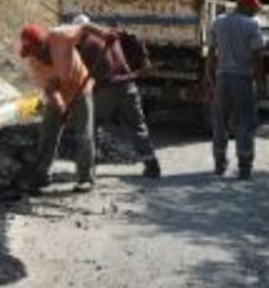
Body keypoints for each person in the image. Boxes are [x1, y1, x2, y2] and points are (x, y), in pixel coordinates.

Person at [16, 22, 113, 194]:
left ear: (43, 43)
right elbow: (50, 89)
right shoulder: (34, 62)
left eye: (34, 50)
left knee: (84, 134)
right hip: (59, 93)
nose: (33, 55)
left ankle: (86, 178)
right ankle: (42, 176)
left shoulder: (60, 36)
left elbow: (84, 26)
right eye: (29, 52)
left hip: (80, 88)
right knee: (48, 132)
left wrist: (103, 33)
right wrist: (62, 108)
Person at [72, 15, 161, 179]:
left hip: (107, 89)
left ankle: (89, 167)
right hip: (129, 87)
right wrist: (143, 61)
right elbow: (132, 37)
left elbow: (81, 77)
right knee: (138, 126)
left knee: (91, 124)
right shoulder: (110, 35)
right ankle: (152, 164)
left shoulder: (87, 46)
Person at [204, 0, 265, 180]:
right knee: (244, 122)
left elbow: (211, 54)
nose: (256, 11)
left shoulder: (218, 22)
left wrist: (209, 78)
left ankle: (219, 163)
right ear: (246, 6)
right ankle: (244, 166)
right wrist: (260, 81)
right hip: (243, 80)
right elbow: (257, 57)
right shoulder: (252, 25)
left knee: (220, 122)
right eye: (254, 7)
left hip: (222, 79)